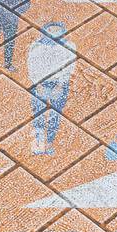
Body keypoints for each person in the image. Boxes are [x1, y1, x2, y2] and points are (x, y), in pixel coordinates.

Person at [27, 22, 76, 155]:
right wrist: (38, 84)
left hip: (60, 84)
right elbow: (32, 65)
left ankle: (49, 143)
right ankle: (38, 144)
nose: (54, 33)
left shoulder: (69, 46)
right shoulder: (36, 46)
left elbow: (69, 67)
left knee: (55, 115)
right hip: (40, 83)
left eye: (57, 30)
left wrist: (60, 84)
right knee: (38, 115)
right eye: (51, 30)